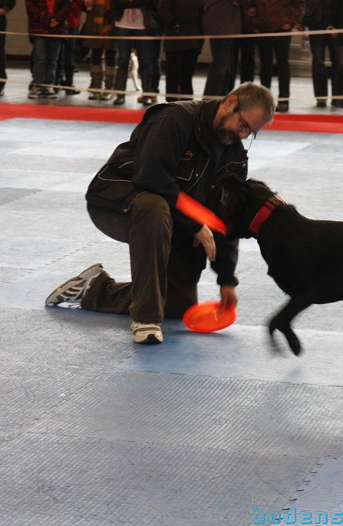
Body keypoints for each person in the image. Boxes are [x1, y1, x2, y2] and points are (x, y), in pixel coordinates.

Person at [45, 82, 276, 345]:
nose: (243, 135)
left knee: (178, 305)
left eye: (252, 132)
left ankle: (94, 289)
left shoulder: (234, 156)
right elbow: (151, 179)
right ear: (230, 103)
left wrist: (227, 280)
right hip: (117, 201)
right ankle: (145, 319)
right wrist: (193, 225)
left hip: (172, 216)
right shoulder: (174, 119)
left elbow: (224, 220)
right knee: (153, 207)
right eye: (244, 125)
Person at [246, 0, 304, 113]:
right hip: (263, 30)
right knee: (264, 66)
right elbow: (250, 6)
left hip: (281, 30)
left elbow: (300, 4)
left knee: (283, 65)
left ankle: (284, 100)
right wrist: (254, 23)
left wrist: (290, 23)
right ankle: (265, 101)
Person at [111, 0, 159, 106]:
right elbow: (116, 1)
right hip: (123, 23)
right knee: (123, 59)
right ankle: (120, 94)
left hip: (143, 24)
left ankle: (146, 93)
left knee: (146, 60)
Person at [202, 0, 251, 98]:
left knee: (223, 65)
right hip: (223, 26)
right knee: (221, 66)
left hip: (220, 25)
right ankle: (210, 100)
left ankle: (217, 98)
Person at [25, 0, 72, 99]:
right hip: (39, 27)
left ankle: (49, 85)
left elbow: (67, 4)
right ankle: (37, 84)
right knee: (39, 57)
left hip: (57, 28)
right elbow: (30, 5)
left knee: (53, 59)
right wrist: (47, 19)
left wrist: (57, 19)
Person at [301, 0, 343, 107]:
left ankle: (339, 96)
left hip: (337, 22)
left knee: (339, 61)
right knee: (317, 61)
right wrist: (302, 20)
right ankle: (320, 96)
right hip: (316, 21)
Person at [158, 0, 204, 102]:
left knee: (187, 76)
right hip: (175, 41)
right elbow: (163, 10)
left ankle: (187, 106)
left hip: (193, 41)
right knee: (173, 75)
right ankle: (170, 106)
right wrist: (173, 23)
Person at [80, 0, 121, 101]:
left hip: (112, 19)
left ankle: (109, 88)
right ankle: (96, 85)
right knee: (95, 54)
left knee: (111, 54)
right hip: (94, 19)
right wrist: (86, 0)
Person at [145, 0, 179, 98]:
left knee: (174, 57)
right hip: (153, 11)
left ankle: (175, 93)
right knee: (152, 56)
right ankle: (152, 89)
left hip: (173, 13)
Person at [57, 0, 83, 94]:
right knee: (68, 53)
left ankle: (57, 80)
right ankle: (68, 83)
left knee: (58, 53)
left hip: (59, 22)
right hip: (71, 21)